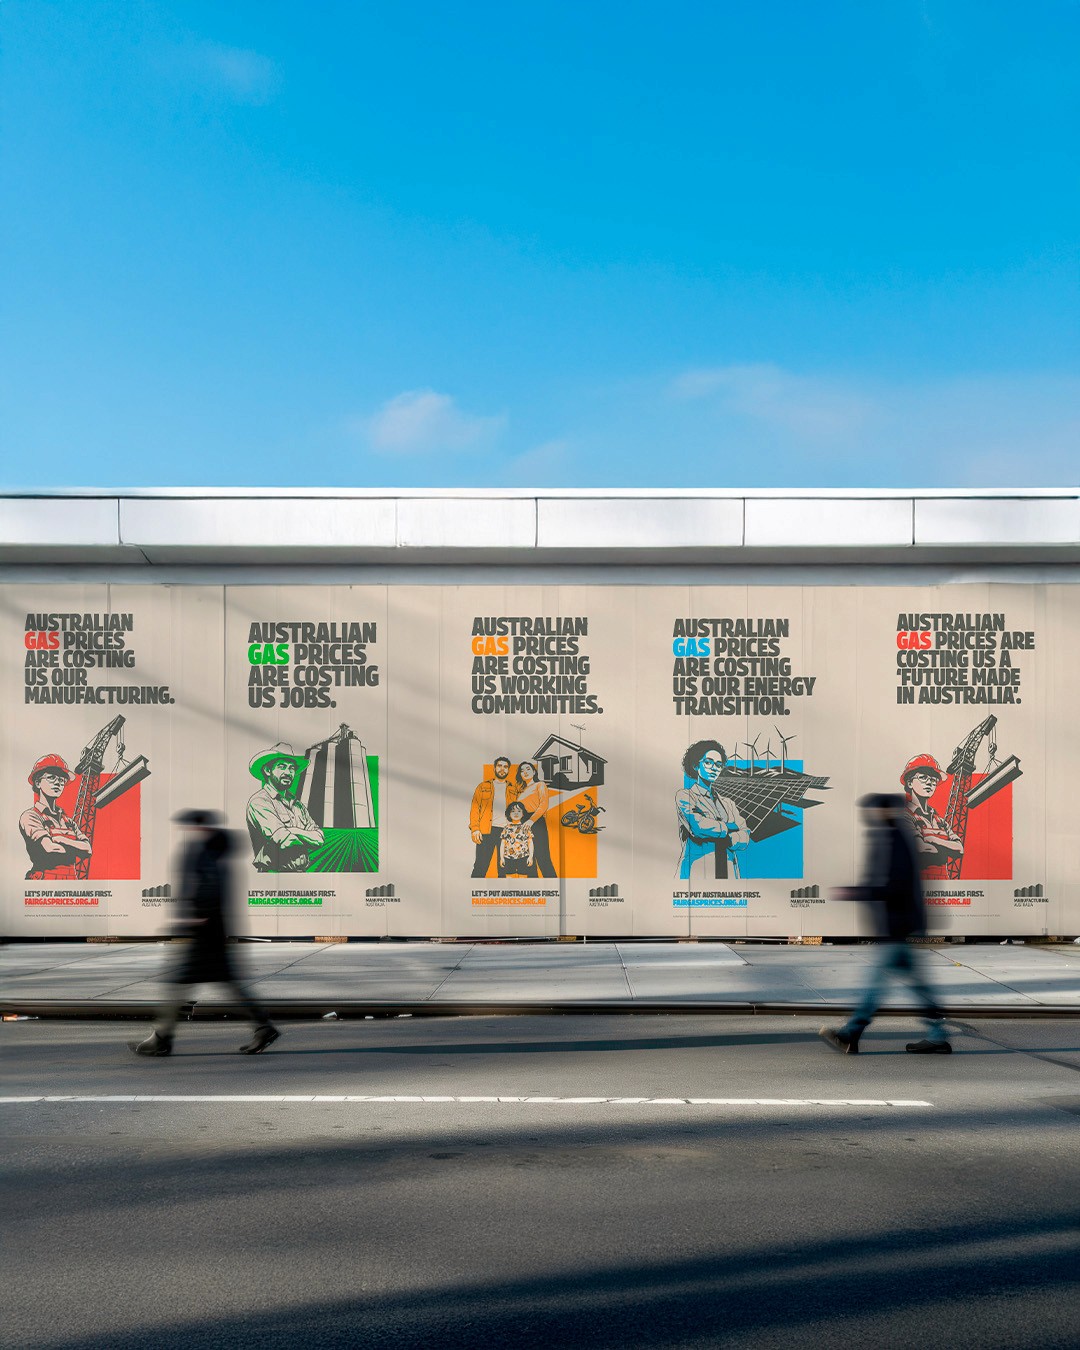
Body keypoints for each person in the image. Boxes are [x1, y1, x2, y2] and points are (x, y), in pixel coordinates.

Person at [130, 810, 280, 1057]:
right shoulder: (214, 853)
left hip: (205, 932)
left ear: (201, 828)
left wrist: (194, 917)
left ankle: (161, 1038)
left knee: (180, 982)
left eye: (193, 826)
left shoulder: (206, 854)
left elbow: (207, 887)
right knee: (223, 982)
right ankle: (263, 1027)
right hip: (213, 931)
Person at [819, 793, 951, 1056]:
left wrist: (857, 892)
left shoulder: (895, 838)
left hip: (897, 923)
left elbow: (895, 885)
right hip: (899, 923)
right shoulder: (894, 835)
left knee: (875, 984)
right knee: (917, 985)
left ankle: (851, 1032)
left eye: (873, 811)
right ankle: (937, 1034)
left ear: (883, 812)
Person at [676, 741, 750, 880]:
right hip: (698, 870)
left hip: (729, 871)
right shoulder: (685, 796)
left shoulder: (728, 803)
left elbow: (745, 834)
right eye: (708, 762)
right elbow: (697, 826)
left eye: (718, 764)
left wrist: (731, 838)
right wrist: (729, 828)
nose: (714, 768)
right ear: (696, 765)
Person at [246, 743, 324, 872]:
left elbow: (319, 839)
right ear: (267, 770)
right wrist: (307, 836)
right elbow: (284, 840)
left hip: (301, 874)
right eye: (282, 767)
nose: (288, 772)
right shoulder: (259, 802)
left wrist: (293, 830)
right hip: (273, 874)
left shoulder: (297, 805)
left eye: (291, 768)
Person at [20, 754, 93, 881]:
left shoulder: (68, 821)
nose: (58, 783)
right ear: (37, 782)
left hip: (71, 882)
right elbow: (50, 848)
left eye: (61, 780)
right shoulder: (30, 816)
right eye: (51, 778)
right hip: (44, 881)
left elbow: (88, 849)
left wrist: (61, 839)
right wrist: (76, 846)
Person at [901, 754, 964, 876]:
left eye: (933, 780)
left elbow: (960, 849)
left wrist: (931, 839)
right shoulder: (905, 816)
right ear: (909, 783)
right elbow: (921, 849)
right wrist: (947, 847)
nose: (929, 783)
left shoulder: (940, 821)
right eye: (923, 777)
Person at [514, 759, 559, 878]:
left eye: (528, 769)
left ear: (534, 772)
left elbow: (543, 805)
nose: (525, 772)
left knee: (543, 857)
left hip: (536, 821)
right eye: (522, 771)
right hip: (522, 824)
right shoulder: (520, 791)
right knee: (528, 859)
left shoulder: (540, 784)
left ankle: (553, 887)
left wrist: (531, 820)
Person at [470, 756, 513, 877]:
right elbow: (475, 809)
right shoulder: (483, 786)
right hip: (486, 831)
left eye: (505, 767)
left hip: (507, 832)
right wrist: (475, 829)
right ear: (494, 768)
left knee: (504, 868)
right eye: (499, 766)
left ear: (508, 770)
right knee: (480, 866)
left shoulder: (513, 788)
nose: (502, 769)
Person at [498, 800, 537, 877]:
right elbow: (502, 844)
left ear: (523, 814)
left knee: (523, 877)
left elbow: (530, 842)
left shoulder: (526, 827)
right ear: (509, 814)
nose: (516, 813)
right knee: (509, 877)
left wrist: (530, 857)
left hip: (523, 857)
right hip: (508, 858)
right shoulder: (506, 828)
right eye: (513, 811)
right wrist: (501, 858)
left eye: (519, 811)